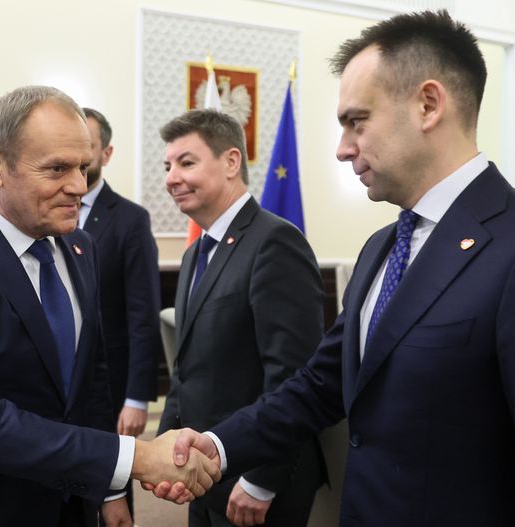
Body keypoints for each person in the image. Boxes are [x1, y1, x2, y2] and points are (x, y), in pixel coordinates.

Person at [158, 10, 515, 525]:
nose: (342, 149)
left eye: (356, 121)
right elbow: (320, 385)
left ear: (428, 105)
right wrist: (218, 445)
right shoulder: (380, 248)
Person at [0, 85, 219, 527]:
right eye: (57, 168)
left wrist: (110, 490)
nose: (79, 187)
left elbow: (92, 382)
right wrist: (137, 459)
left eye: (83, 167)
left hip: (70, 504)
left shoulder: (80, 248)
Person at [159, 109, 327, 527]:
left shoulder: (275, 242)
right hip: (204, 474)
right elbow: (186, 369)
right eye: (167, 166)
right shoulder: (195, 254)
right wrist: (166, 447)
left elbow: (293, 376)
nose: (171, 178)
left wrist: (261, 480)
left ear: (231, 162)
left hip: (255, 483)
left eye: (186, 162)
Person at [78, 108, 161, 518]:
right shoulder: (45, 213)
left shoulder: (130, 220)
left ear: (106, 153)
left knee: (112, 485)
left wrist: (136, 397)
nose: (78, 158)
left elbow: (142, 313)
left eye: (87, 147)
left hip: (111, 384)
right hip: (60, 383)